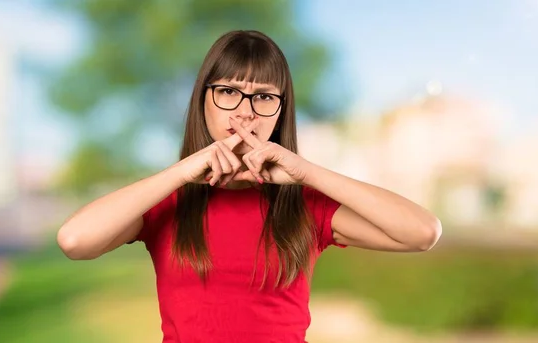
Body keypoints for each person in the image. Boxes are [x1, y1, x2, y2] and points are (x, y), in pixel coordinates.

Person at [57, 30, 442, 343]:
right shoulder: (170, 201)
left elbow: (422, 232)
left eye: (263, 97)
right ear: (203, 100)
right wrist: (183, 170)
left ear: (280, 110)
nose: (246, 111)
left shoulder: (305, 205)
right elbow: (75, 241)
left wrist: (306, 172)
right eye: (228, 92)